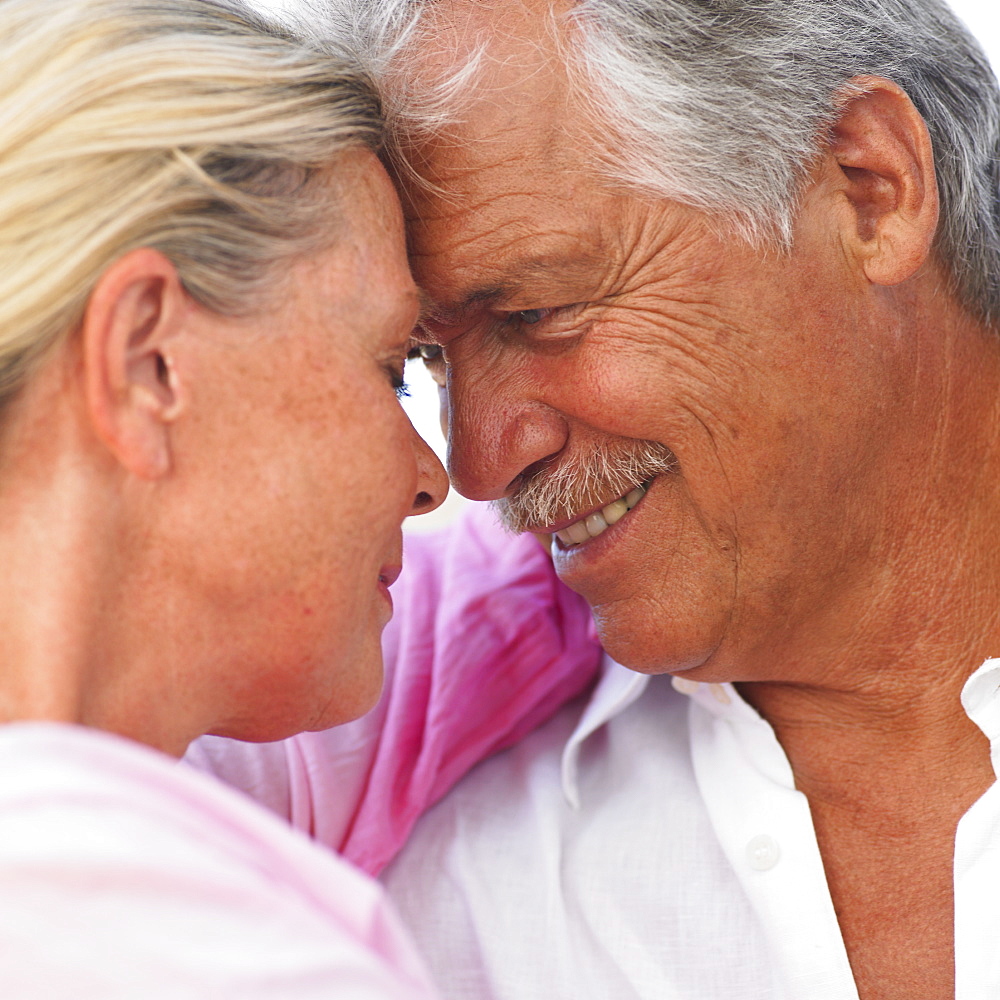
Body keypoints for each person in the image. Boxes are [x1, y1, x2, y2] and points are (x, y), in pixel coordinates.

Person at [274, 0, 999, 997]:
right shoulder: (397, 898)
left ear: (866, 187)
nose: (479, 465)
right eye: (425, 363)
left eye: (537, 311)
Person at [0, 1, 600, 995]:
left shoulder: (174, 774)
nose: (437, 474)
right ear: (150, 362)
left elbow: (492, 613)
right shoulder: (116, 924)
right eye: (394, 366)